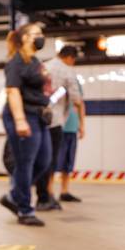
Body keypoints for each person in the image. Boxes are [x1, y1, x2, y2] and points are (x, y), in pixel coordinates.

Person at [0, 23, 51, 226]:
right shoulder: (15, 62)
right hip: (22, 116)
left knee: (43, 161)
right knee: (25, 163)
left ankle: (14, 196)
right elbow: (13, 91)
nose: (41, 37)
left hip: (38, 117)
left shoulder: (35, 61)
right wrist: (20, 120)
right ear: (25, 38)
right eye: (37, 34)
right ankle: (25, 210)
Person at [36, 45, 85, 210]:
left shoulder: (44, 65)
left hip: (40, 118)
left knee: (42, 158)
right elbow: (76, 99)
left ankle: (44, 195)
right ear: (70, 58)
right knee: (51, 159)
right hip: (55, 121)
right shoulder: (67, 70)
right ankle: (47, 196)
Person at [55, 78, 85, 202]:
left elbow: (80, 103)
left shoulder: (75, 82)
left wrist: (82, 124)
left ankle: (64, 191)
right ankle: (48, 192)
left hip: (72, 127)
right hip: (58, 126)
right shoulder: (55, 81)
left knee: (68, 162)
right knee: (53, 162)